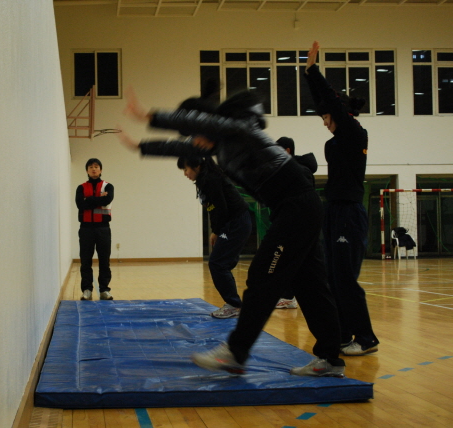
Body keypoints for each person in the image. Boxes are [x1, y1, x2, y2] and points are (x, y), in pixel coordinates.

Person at [122, 87, 346, 377]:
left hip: (297, 208)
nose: (194, 141)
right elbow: (178, 148)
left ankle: (236, 353)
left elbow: (203, 124)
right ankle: (330, 359)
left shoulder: (239, 130)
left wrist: (150, 116)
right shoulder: (218, 147)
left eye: (195, 131)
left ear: (206, 123)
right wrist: (140, 147)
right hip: (295, 210)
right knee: (310, 284)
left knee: (263, 278)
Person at [120, 128, 252, 318]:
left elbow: (221, 209)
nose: (185, 173)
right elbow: (214, 208)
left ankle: (234, 305)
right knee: (221, 263)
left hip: (236, 222)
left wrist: (217, 231)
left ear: (196, 165)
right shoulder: (205, 179)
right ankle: (235, 300)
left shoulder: (211, 179)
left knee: (217, 264)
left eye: (186, 169)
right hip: (233, 222)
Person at [305, 41, 379, 356]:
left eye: (327, 117)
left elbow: (332, 102)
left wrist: (312, 72)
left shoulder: (355, 133)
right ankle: (344, 334)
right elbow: (327, 104)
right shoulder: (335, 140)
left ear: (341, 115)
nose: (324, 121)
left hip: (349, 212)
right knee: (332, 278)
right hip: (334, 210)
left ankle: (366, 338)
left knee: (346, 279)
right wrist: (308, 78)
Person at [273, 136, 318, 310]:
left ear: (287, 151)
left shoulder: (300, 171)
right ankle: (289, 295)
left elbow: (304, 201)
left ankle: (290, 297)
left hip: (301, 226)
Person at [75, 158, 114, 301]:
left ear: (101, 170)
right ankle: (87, 290)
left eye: (96, 166)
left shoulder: (108, 186)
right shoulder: (81, 188)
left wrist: (89, 199)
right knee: (85, 260)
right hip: (86, 228)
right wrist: (98, 199)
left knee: (104, 260)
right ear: (87, 170)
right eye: (91, 167)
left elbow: (107, 200)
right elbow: (81, 205)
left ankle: (104, 290)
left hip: (103, 228)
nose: (93, 169)